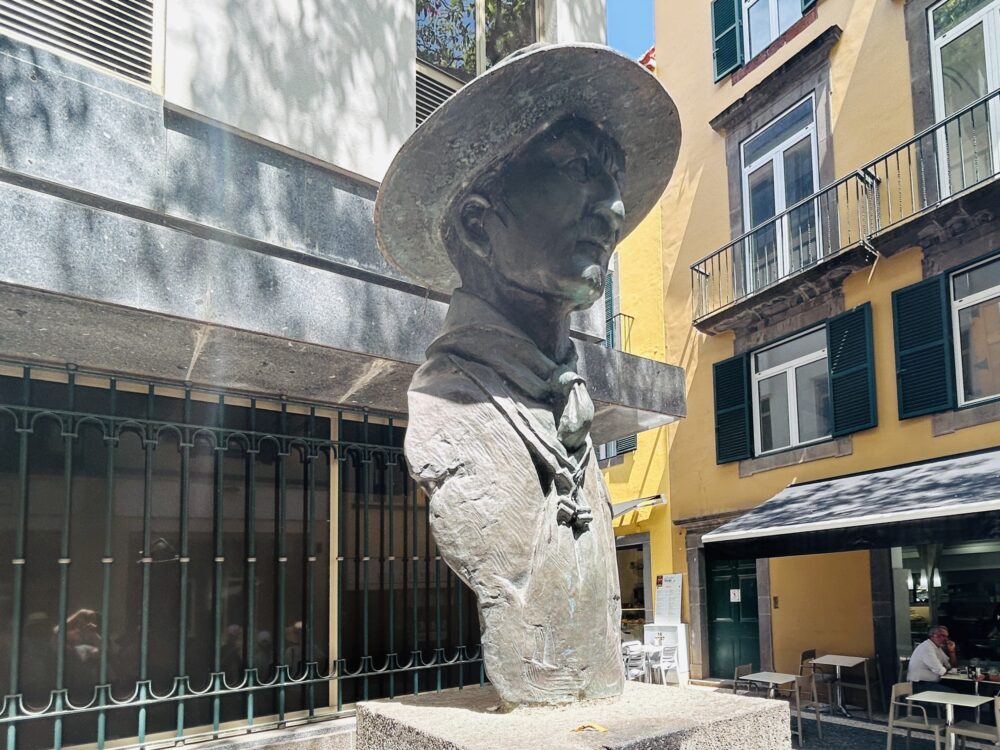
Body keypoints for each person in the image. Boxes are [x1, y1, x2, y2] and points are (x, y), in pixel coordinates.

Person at [374, 43, 680, 707]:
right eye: (576, 167)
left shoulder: (568, 400)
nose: (615, 207)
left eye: (615, 179)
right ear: (480, 226)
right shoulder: (449, 405)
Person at [908, 625, 959, 694]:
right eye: (942, 636)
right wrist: (946, 669)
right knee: (952, 693)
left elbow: (951, 666)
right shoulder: (926, 648)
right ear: (932, 635)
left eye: (946, 636)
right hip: (919, 684)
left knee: (961, 687)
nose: (946, 639)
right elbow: (941, 671)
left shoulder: (937, 648)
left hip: (932, 683)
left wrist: (952, 651)